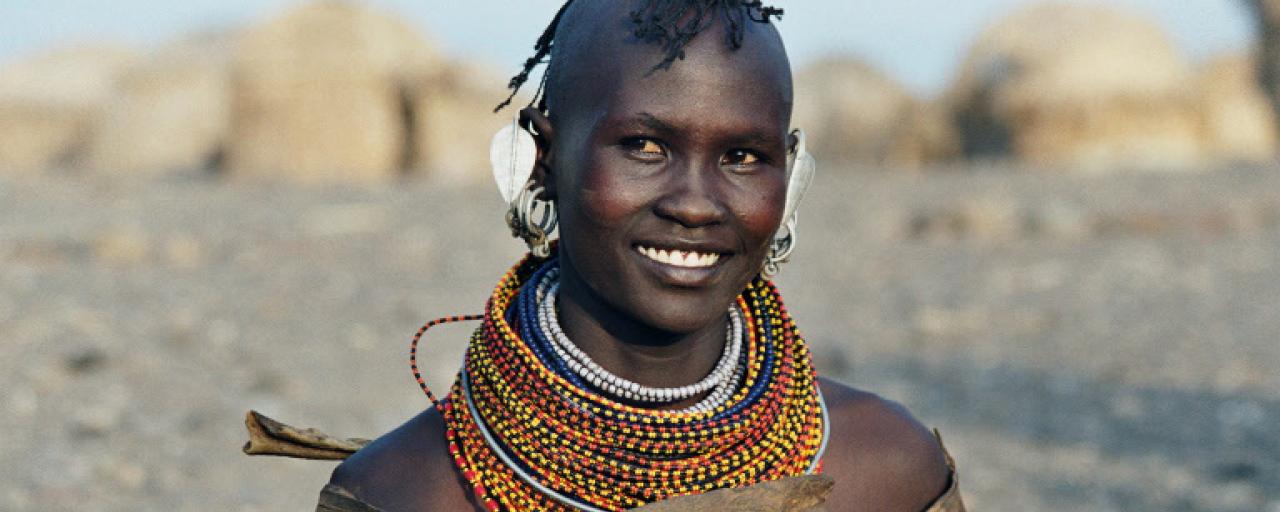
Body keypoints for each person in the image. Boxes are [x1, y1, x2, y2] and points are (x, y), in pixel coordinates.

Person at [325, 1, 963, 510]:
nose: (694, 205)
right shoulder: (403, 490)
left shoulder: (885, 470)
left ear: (790, 177)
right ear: (544, 159)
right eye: (644, 146)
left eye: (743, 157)